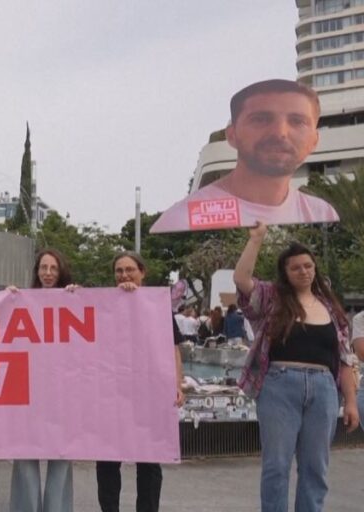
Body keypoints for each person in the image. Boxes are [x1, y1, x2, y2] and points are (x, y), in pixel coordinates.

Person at [234, 222, 358, 511]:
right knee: (276, 465)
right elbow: (242, 280)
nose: (304, 271)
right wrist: (256, 240)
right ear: (285, 274)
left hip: (324, 389)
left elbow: (344, 359)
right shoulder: (271, 299)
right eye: (296, 268)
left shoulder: (331, 308)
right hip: (280, 386)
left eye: (308, 266)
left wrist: (350, 401)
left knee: (316, 468)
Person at [151, 79, 338, 233]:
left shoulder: (321, 212)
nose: (280, 133)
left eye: (297, 121)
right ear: (232, 135)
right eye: (261, 119)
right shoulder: (182, 218)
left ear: (314, 141)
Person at [95, 251, 184, 512]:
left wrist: (177, 384)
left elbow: (173, 349)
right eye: (119, 270)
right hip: (111, 394)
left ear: (142, 272)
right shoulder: (102, 305)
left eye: (129, 269)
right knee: (108, 461)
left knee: (149, 462)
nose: (124, 275)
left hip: (148, 394)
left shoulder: (156, 307)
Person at [9, 249, 76, 512]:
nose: (48, 273)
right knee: (25, 454)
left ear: (61, 272)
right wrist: (8, 301)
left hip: (62, 392)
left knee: (61, 456)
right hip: (28, 391)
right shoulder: (22, 300)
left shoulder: (74, 299)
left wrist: (80, 298)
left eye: (53, 268)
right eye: (43, 268)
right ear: (37, 271)